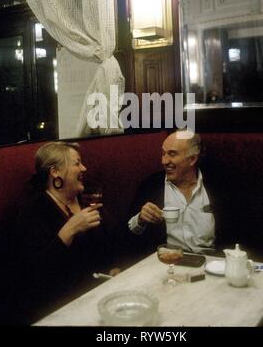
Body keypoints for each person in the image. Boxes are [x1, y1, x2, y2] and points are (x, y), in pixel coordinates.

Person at [13, 141, 118, 323]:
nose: (84, 168)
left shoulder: (87, 200)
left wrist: (115, 267)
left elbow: (114, 242)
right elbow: (34, 275)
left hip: (102, 296)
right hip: (62, 308)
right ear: (55, 172)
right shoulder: (33, 212)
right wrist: (69, 231)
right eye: (77, 163)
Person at [127, 130, 217, 258]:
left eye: (172, 154)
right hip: (167, 263)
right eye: (163, 154)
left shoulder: (218, 186)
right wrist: (140, 219)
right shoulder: (151, 186)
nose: (164, 161)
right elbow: (127, 236)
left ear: (192, 159)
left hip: (212, 264)